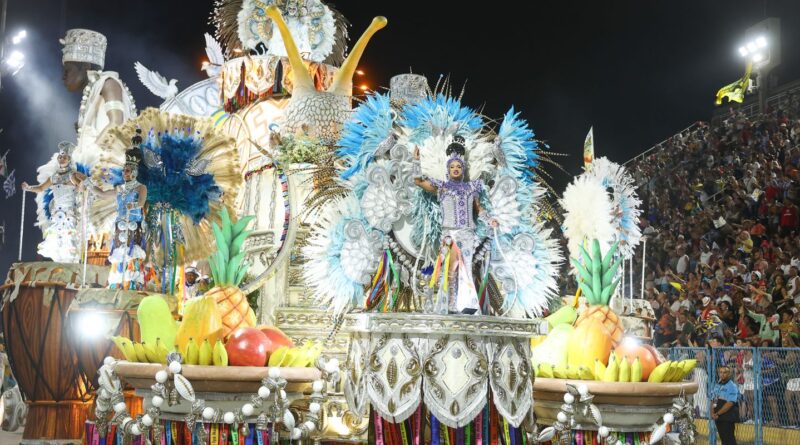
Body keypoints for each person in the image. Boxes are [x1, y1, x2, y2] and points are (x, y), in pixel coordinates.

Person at [412, 136, 497, 314]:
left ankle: (467, 305)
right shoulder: (441, 187)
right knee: (450, 270)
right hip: (449, 235)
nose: (455, 169)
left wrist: (490, 220)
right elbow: (418, 181)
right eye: (452, 167)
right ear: (448, 169)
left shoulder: (472, 188)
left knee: (466, 269)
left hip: (467, 234)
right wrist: (416, 161)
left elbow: (479, 209)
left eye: (458, 166)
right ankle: (449, 305)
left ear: (463, 168)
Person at [84, 138, 147, 290]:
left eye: (127, 170)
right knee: (119, 254)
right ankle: (117, 284)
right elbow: (103, 194)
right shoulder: (119, 188)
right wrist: (89, 185)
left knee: (133, 253)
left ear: (134, 172)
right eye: (124, 170)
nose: (124, 173)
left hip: (134, 225)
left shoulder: (141, 187)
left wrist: (134, 205)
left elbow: (141, 202)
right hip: (120, 225)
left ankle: (133, 285)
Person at [21, 142, 86, 262]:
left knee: (68, 243)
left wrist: (82, 183)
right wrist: (28, 188)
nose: (61, 159)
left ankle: (70, 269)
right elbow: (41, 188)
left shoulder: (73, 175)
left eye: (64, 157)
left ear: (69, 159)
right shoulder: (54, 177)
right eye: (60, 157)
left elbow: (83, 187)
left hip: (69, 215)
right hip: (56, 215)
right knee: (55, 243)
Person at [711, 365, 739, 445]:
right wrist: (712, 413)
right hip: (718, 417)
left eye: (725, 372)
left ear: (729, 374)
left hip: (727, 417)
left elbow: (730, 403)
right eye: (721, 372)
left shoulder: (732, 386)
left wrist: (718, 413)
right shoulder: (717, 385)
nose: (722, 374)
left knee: (729, 440)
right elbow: (713, 400)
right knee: (723, 439)